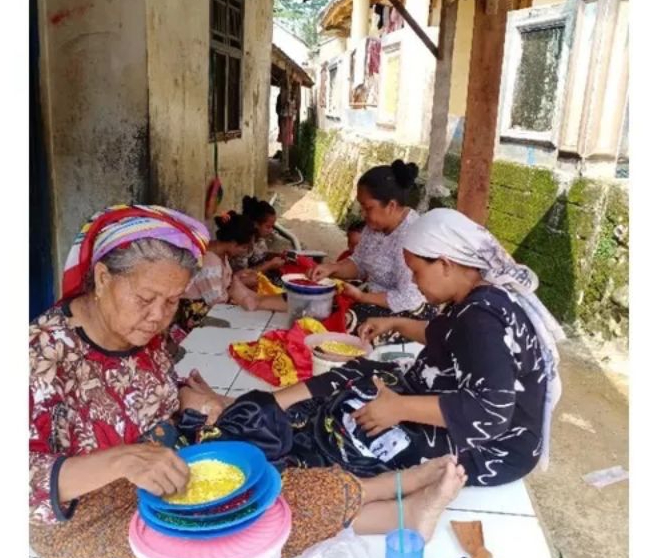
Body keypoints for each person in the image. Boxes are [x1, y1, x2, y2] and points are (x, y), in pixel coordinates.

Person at [29, 203, 467, 558]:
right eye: (146, 298)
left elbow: (136, 394)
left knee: (266, 472)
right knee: (239, 533)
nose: (158, 316)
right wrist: (121, 460)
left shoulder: (141, 330)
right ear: (102, 277)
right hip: (89, 517)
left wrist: (188, 400)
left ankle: (393, 500)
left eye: (172, 301)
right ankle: (395, 500)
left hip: (165, 470)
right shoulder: (41, 353)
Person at [190, 208, 565, 487]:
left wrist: (400, 407)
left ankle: (270, 433)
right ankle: (264, 407)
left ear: (446, 264)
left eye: (417, 272)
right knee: (363, 372)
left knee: (353, 435)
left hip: (494, 448)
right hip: (451, 402)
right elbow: (446, 337)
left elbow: (490, 413)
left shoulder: (483, 318)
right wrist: (397, 323)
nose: (414, 283)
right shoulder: (475, 298)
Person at [308, 160, 434, 342]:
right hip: (372, 297)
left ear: (391, 206)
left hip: (408, 312)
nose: (363, 214)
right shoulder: (374, 227)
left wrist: (363, 297)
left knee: (347, 324)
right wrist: (332, 268)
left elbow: (408, 297)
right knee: (320, 304)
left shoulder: (411, 236)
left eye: (367, 208)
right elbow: (359, 263)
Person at [178, 211, 287, 326]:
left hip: (214, 305)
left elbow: (222, 282)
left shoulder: (221, 253)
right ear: (234, 243)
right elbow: (217, 301)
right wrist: (240, 284)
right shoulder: (209, 262)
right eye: (244, 248)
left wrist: (237, 278)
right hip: (198, 313)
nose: (244, 252)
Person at [233, 195, 286, 287]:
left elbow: (261, 255)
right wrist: (269, 265)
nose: (271, 230)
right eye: (268, 227)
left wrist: (279, 255)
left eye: (272, 227)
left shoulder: (260, 238)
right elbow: (242, 276)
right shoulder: (244, 245)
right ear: (256, 224)